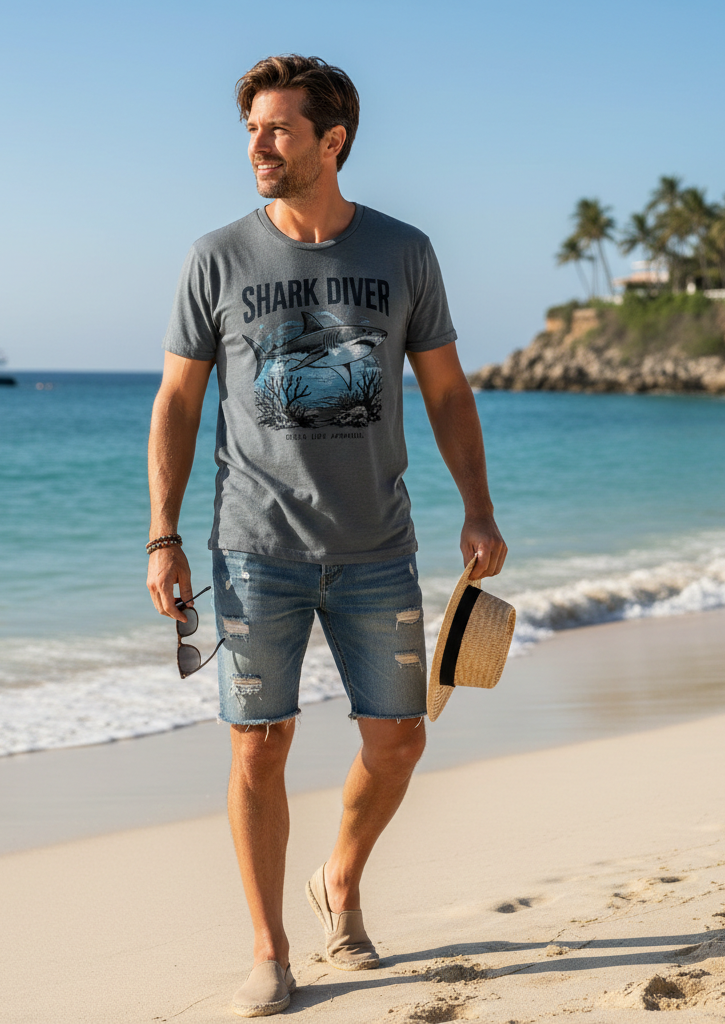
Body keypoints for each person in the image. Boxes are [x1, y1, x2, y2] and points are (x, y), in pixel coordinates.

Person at [146, 54, 507, 1017]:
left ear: (331, 141)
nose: (258, 146)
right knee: (258, 746)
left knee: (398, 743)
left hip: (377, 546)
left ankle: (339, 880)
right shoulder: (216, 257)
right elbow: (179, 403)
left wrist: (476, 502)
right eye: (251, 130)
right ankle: (270, 951)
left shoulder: (403, 253)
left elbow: (446, 389)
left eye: (277, 130)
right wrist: (162, 536)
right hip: (251, 547)